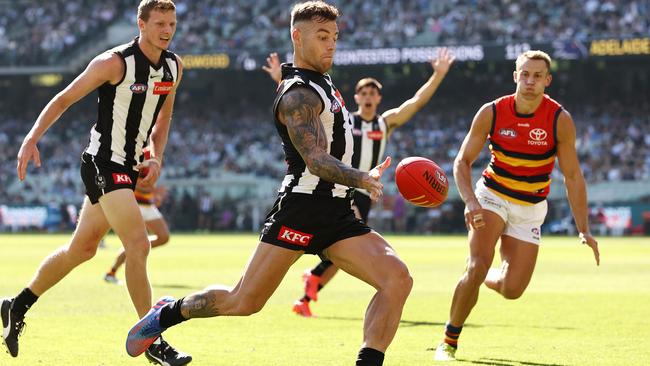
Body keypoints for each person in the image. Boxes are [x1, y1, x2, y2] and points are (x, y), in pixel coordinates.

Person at [126, 2, 412, 365]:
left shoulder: (322, 82)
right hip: (301, 209)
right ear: (297, 36)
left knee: (397, 279)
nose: (331, 45)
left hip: (338, 212)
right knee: (243, 301)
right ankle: (165, 313)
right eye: (322, 36)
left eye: (335, 37)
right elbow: (316, 160)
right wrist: (362, 177)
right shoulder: (298, 95)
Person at [1, 1, 191, 365]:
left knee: (82, 250)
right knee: (138, 245)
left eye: (172, 23)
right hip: (103, 162)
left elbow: (164, 115)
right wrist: (31, 139)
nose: (168, 30)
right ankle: (151, 340)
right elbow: (64, 98)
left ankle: (16, 304)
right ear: (141, 24)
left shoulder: (174, 66)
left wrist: (157, 153)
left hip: (129, 168)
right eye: (160, 23)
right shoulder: (114, 62)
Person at [434, 50, 600, 361]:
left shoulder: (559, 119)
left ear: (547, 81)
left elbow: (574, 176)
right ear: (515, 76)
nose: (530, 81)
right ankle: (449, 340)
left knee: (512, 289)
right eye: (525, 74)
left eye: (537, 76)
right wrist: (470, 202)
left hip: (531, 207)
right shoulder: (492, 111)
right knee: (477, 263)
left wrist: (584, 229)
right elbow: (462, 161)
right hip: (492, 196)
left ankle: (479, 275)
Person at [264, 47, 455, 317]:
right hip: (342, 187)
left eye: (372, 93)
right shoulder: (345, 119)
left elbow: (416, 102)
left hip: (366, 192)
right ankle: (311, 280)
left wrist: (438, 75)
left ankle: (308, 291)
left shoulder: (385, 123)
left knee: (340, 251)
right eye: (362, 93)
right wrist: (279, 80)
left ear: (378, 98)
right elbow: (304, 108)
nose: (367, 97)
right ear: (356, 97)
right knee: (343, 242)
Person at [104, 147, 171, 285]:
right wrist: (154, 190)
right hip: (135, 205)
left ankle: (137, 247)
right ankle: (111, 272)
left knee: (163, 237)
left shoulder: (157, 158)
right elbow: (133, 182)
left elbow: (147, 185)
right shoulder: (143, 154)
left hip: (147, 205)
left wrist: (155, 197)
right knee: (135, 243)